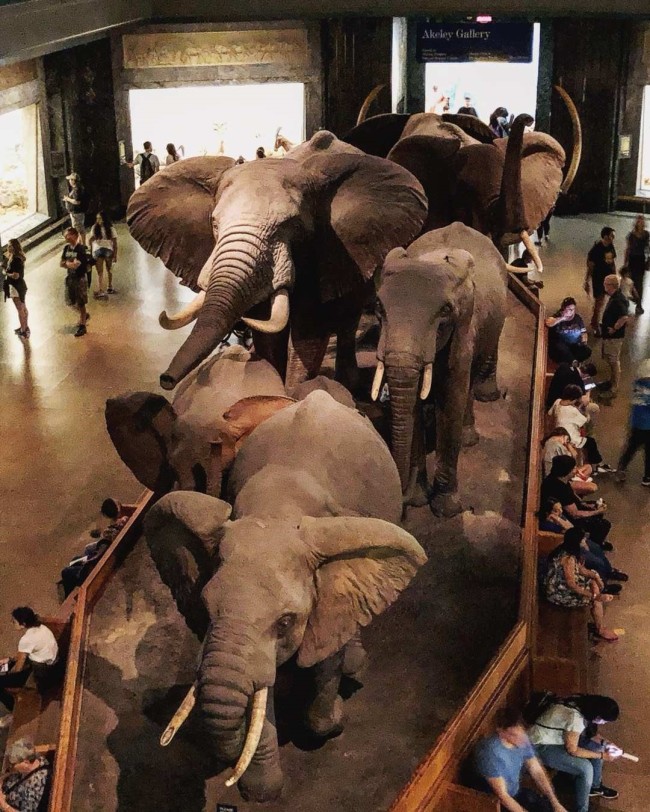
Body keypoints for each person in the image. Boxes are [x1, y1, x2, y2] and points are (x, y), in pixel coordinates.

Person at [529, 694, 621, 811]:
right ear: (597, 716)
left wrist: (606, 744)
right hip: (540, 745)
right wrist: (603, 756)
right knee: (585, 768)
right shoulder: (575, 718)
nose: (603, 723)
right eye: (604, 720)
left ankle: (594, 787)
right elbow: (572, 750)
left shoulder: (582, 704)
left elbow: (589, 734)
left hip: (558, 737)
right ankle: (582, 809)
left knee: (598, 747)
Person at [472, 706, 567, 811]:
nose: (520, 739)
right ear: (500, 731)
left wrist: (555, 803)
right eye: (513, 735)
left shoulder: (522, 739)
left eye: (521, 733)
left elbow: (536, 770)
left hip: (515, 792)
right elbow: (502, 796)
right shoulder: (490, 753)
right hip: (495, 802)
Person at [542, 528, 618, 641]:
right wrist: (594, 596)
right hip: (559, 592)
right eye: (582, 539)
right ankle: (600, 629)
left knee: (593, 582)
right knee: (596, 600)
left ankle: (598, 612)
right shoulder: (568, 559)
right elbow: (571, 584)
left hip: (561, 584)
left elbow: (580, 569)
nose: (584, 540)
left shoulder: (568, 550)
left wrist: (595, 577)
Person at [0, 608, 59, 728]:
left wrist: (6, 671)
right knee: (6, 668)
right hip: (51, 665)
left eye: (14, 621)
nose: (12, 623)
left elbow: (18, 668)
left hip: (41, 673)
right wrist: (9, 661)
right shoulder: (42, 628)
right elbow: (24, 653)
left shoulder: (26, 640)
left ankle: (14, 711)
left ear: (23, 624)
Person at [540, 456, 612, 550]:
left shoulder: (556, 479)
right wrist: (597, 512)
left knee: (596, 508)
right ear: (566, 471)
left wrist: (588, 505)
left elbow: (574, 497)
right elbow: (575, 514)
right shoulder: (560, 489)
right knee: (604, 524)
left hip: (570, 509)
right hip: (569, 518)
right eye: (573, 469)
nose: (576, 470)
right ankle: (595, 545)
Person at [547, 385, 610, 471]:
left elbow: (550, 413)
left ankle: (594, 464)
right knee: (591, 442)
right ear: (573, 400)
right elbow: (585, 421)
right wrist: (584, 408)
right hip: (571, 437)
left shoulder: (557, 401)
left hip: (559, 431)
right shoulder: (572, 411)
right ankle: (597, 464)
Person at [616, 358, 650, 486]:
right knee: (648, 452)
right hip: (647, 424)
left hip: (636, 422)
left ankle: (622, 469)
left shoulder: (637, 384)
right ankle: (647, 477)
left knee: (631, 448)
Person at [0, 737, 51, 812]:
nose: (10, 767)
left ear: (26, 762)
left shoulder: (36, 784)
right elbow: (9, 774)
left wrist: (4, 806)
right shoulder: (35, 762)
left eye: (13, 764)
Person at [541, 428, 596, 496]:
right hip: (558, 479)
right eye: (567, 440)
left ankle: (578, 487)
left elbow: (569, 461)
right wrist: (569, 446)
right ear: (562, 435)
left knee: (588, 467)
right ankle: (574, 492)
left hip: (562, 473)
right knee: (593, 487)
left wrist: (576, 472)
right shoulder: (556, 445)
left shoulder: (553, 443)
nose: (566, 443)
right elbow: (572, 457)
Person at [600, 274, 630, 398]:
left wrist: (614, 328)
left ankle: (614, 387)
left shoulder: (618, 300)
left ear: (611, 286)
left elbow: (624, 317)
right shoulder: (615, 297)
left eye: (605, 284)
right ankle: (611, 381)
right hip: (610, 336)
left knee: (613, 361)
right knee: (610, 359)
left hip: (615, 337)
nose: (604, 286)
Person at [584, 227, 616, 334]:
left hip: (608, 278)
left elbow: (612, 262)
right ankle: (595, 323)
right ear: (606, 236)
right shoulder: (597, 249)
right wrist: (587, 280)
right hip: (598, 278)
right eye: (612, 236)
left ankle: (596, 320)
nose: (613, 238)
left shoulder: (611, 246)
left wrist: (615, 275)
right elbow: (590, 265)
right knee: (599, 301)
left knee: (604, 301)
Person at [60, 227, 89, 337]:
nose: (66, 237)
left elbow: (78, 264)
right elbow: (62, 263)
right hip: (70, 277)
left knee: (81, 301)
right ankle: (84, 315)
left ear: (75, 235)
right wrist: (69, 264)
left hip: (79, 278)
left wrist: (68, 264)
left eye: (68, 235)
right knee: (70, 301)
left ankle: (83, 325)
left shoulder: (81, 249)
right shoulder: (66, 248)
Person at [545, 297, 591, 364]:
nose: (572, 312)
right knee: (562, 348)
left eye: (573, 309)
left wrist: (584, 341)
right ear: (563, 308)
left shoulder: (577, 318)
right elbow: (549, 323)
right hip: (561, 345)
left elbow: (583, 332)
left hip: (574, 345)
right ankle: (572, 362)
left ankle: (573, 362)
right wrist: (562, 318)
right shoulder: (557, 317)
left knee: (587, 351)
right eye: (569, 309)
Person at [2, 239, 29, 338]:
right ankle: (24, 327)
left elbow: (16, 275)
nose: (8, 248)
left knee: (20, 309)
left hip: (16, 287)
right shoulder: (15, 257)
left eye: (10, 246)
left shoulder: (16, 260)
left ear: (14, 247)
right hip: (20, 286)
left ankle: (23, 330)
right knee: (23, 308)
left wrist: (5, 273)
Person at [88, 211, 118, 299]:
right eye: (97, 218)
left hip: (98, 250)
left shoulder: (94, 228)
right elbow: (115, 243)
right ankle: (109, 286)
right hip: (108, 250)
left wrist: (91, 251)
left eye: (99, 218)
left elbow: (90, 240)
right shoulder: (111, 229)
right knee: (109, 269)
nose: (98, 220)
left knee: (100, 272)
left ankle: (101, 289)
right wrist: (115, 255)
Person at [623, 214, 648, 313]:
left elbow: (648, 247)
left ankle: (639, 305)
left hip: (641, 260)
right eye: (639, 221)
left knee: (640, 283)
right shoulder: (631, 235)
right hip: (632, 259)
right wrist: (625, 263)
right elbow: (628, 249)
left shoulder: (646, 235)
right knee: (631, 282)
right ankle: (634, 298)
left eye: (642, 221)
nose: (641, 223)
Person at [62, 172, 86, 245]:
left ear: (73, 180)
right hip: (77, 212)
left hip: (76, 213)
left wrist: (67, 199)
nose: (69, 181)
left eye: (70, 180)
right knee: (79, 228)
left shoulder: (76, 190)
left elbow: (77, 201)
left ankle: (81, 245)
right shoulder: (78, 188)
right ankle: (82, 244)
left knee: (78, 229)